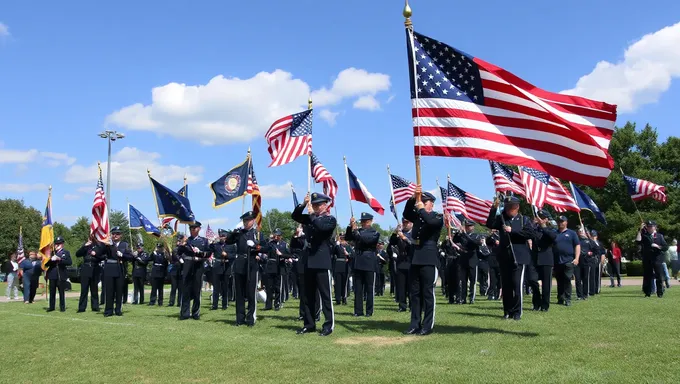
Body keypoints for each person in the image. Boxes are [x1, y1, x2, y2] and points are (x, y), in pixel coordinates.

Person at [291, 192, 337, 336]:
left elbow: (321, 227)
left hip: (321, 260)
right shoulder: (311, 218)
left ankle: (328, 325)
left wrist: (311, 214)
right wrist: (304, 204)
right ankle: (309, 323)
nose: (316, 207)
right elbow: (295, 216)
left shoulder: (329, 219)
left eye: (319, 205)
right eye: (314, 204)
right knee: (307, 295)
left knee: (325, 295)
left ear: (325, 205)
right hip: (308, 260)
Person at [403, 187, 443, 335]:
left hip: (429, 256)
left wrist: (421, 209)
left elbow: (430, 222)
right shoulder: (418, 216)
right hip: (416, 256)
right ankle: (415, 324)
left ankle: (427, 325)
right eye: (421, 201)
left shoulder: (437, 217)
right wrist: (413, 198)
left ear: (431, 204)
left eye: (424, 202)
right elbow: (406, 213)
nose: (421, 204)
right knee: (414, 294)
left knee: (427, 293)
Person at [486, 196, 534, 320]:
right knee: (506, 286)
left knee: (516, 285)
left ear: (517, 207)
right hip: (504, 256)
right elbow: (489, 224)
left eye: (510, 208)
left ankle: (517, 312)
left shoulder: (524, 220)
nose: (508, 210)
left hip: (518, 257)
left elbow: (530, 233)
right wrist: (494, 208)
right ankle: (507, 311)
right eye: (506, 207)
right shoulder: (502, 218)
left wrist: (513, 231)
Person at [225, 212, 269, 326]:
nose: (246, 223)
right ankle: (239, 318)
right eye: (244, 221)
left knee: (250, 293)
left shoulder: (257, 234)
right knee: (239, 293)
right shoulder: (239, 233)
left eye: (248, 220)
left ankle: (250, 318)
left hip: (252, 264)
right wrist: (234, 232)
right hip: (240, 263)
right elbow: (228, 241)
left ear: (253, 221)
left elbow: (266, 248)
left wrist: (255, 246)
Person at [345, 212, 380, 317]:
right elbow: (348, 237)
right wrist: (350, 226)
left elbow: (365, 241)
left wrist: (356, 231)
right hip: (358, 261)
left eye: (366, 221)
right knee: (358, 289)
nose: (364, 223)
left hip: (369, 261)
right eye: (362, 221)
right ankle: (358, 311)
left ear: (370, 221)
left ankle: (369, 311)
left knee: (369, 288)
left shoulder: (375, 232)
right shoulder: (358, 231)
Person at [178, 221, 210, 320]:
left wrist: (200, 253)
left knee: (197, 289)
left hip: (198, 266)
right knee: (186, 289)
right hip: (188, 266)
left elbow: (208, 253)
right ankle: (185, 313)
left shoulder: (203, 241)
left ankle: (196, 313)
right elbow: (179, 252)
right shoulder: (187, 241)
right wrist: (182, 247)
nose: (192, 229)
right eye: (191, 228)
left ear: (199, 229)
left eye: (195, 228)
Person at [95, 236, 132, 316]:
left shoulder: (124, 245)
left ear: (121, 235)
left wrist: (122, 255)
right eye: (114, 233)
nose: (115, 235)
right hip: (110, 267)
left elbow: (131, 257)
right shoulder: (107, 245)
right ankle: (108, 310)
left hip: (120, 268)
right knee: (109, 291)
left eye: (118, 234)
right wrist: (105, 244)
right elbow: (99, 253)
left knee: (119, 291)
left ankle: (118, 310)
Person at [527, 210, 556, 312]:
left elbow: (553, 237)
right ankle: (536, 302)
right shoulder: (533, 228)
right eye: (538, 217)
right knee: (532, 279)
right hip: (534, 258)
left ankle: (544, 305)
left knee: (546, 284)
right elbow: (526, 232)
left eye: (542, 217)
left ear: (546, 219)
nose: (539, 219)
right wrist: (533, 223)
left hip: (546, 258)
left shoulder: (550, 229)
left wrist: (543, 226)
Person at [636, 220, 668, 298]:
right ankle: (647, 292)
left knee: (659, 276)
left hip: (657, 258)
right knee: (647, 276)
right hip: (647, 258)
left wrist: (658, 246)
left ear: (655, 227)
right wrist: (640, 230)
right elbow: (638, 241)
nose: (650, 228)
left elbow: (665, 247)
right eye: (648, 227)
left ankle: (660, 292)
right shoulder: (644, 235)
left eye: (651, 226)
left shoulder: (659, 236)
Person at [454, 220, 482, 305]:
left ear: (473, 227)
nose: (468, 227)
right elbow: (455, 240)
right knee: (463, 280)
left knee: (473, 280)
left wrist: (464, 234)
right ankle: (463, 298)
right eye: (467, 226)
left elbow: (473, 243)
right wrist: (458, 233)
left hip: (472, 259)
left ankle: (472, 297)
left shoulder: (476, 235)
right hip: (463, 259)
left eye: (470, 226)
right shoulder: (462, 235)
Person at [553, 216, 579, 306]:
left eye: (562, 221)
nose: (561, 223)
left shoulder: (572, 233)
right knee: (559, 280)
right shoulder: (554, 233)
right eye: (559, 221)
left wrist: (577, 258)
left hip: (569, 260)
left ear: (566, 222)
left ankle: (568, 299)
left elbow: (577, 245)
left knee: (567, 279)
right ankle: (560, 298)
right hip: (557, 261)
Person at [389, 218, 413, 312]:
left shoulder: (414, 233)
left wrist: (404, 238)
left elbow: (413, 245)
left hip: (411, 260)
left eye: (407, 222)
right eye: (404, 223)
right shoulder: (399, 233)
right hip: (401, 261)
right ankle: (402, 305)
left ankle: (412, 305)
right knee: (401, 286)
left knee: (411, 286)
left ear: (411, 223)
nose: (405, 224)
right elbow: (392, 242)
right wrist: (395, 232)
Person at [264, 229, 290, 311]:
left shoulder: (284, 244)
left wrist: (281, 254)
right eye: (275, 234)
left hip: (280, 267)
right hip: (271, 267)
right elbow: (264, 248)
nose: (276, 236)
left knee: (278, 287)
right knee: (269, 287)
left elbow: (289, 255)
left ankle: (277, 303)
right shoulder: (270, 244)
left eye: (278, 235)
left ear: (281, 236)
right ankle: (268, 305)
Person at [44, 237, 72, 312]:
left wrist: (60, 259)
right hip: (53, 274)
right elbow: (47, 265)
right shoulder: (52, 253)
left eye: (58, 244)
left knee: (61, 292)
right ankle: (51, 306)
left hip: (61, 274)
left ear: (62, 244)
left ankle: (62, 307)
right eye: (56, 244)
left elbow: (69, 262)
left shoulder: (65, 252)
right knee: (52, 291)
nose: (56, 245)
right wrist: (51, 259)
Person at [75, 236, 100, 312]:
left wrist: (95, 254)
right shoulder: (85, 246)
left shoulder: (98, 246)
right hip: (85, 268)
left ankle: (95, 306)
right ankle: (82, 307)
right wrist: (84, 246)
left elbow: (102, 256)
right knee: (84, 289)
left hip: (94, 267)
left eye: (92, 239)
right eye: (89, 238)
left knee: (94, 289)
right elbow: (77, 254)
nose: (90, 240)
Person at [210, 230, 233, 310]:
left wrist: (227, 255)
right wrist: (212, 242)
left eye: (223, 236)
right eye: (220, 236)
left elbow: (233, 256)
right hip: (217, 266)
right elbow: (210, 249)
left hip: (226, 266)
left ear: (226, 237)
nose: (221, 237)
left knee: (225, 287)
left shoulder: (230, 245)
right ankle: (214, 305)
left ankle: (224, 304)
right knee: (216, 287)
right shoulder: (216, 245)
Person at [575, 228, 593, 300]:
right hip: (578, 262)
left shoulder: (588, 241)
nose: (581, 233)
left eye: (582, 231)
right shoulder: (576, 240)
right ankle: (579, 295)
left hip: (586, 262)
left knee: (585, 279)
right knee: (578, 279)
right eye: (580, 232)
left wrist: (589, 236)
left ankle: (585, 294)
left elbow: (595, 249)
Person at [332, 235, 350, 305]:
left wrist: (348, 254)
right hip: (338, 266)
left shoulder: (348, 247)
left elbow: (352, 255)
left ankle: (344, 298)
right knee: (338, 283)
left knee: (344, 284)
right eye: (341, 240)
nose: (343, 241)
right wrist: (336, 244)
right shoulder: (337, 247)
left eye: (344, 240)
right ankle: (338, 298)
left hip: (345, 266)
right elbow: (333, 252)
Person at [168, 234, 184, 307]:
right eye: (177, 241)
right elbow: (176, 257)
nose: (178, 242)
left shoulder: (184, 249)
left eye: (179, 241)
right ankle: (171, 302)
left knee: (181, 288)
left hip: (181, 270)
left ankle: (179, 302)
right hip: (175, 269)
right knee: (173, 287)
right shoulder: (175, 249)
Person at [589, 230, 606, 295]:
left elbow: (603, 253)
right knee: (591, 276)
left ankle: (597, 289)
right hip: (591, 260)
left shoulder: (600, 244)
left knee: (598, 276)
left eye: (594, 236)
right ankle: (591, 290)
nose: (593, 237)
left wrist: (602, 261)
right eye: (592, 236)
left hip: (598, 260)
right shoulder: (589, 243)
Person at [486, 231, 501, 301]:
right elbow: (488, 242)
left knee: (500, 278)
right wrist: (490, 235)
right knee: (492, 278)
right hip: (492, 259)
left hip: (500, 259)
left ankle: (498, 293)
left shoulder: (502, 235)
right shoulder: (492, 237)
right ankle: (491, 294)